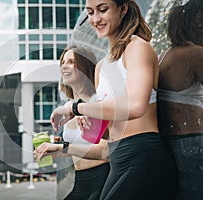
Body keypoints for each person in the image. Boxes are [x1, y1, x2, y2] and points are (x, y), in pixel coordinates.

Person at [47, 0, 177, 199]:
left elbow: (135, 106)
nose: (96, 19)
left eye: (103, 9)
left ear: (123, 8)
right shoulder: (101, 67)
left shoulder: (137, 48)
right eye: (90, 12)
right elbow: (107, 133)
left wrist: (76, 107)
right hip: (117, 157)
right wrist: (91, 122)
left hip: (142, 154)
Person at [36, 45, 110, 200]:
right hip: (80, 182)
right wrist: (54, 152)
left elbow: (105, 152)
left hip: (101, 180)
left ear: (85, 67)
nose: (64, 66)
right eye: (63, 62)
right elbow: (76, 149)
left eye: (71, 62)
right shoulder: (70, 106)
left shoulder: (96, 102)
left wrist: (63, 147)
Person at [157, 1, 203, 199]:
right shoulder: (195, 53)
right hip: (193, 140)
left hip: (170, 141)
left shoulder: (164, 55)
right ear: (198, 22)